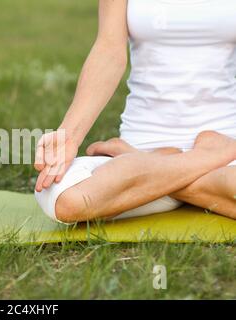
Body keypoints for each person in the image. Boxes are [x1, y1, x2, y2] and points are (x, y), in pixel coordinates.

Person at [34, 0, 236, 223]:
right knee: (66, 199)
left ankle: (161, 167)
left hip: (214, 151)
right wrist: (69, 136)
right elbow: (109, 51)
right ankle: (206, 157)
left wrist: (139, 164)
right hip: (144, 145)